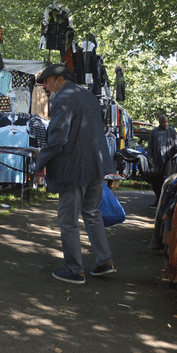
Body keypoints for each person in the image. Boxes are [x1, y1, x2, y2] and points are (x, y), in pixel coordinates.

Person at [34, 63, 116, 285]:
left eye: (47, 82)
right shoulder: (87, 95)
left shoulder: (63, 98)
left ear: (59, 79)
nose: (45, 87)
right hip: (96, 165)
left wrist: (40, 163)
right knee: (91, 212)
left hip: (74, 168)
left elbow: (58, 138)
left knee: (68, 220)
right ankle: (104, 261)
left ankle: (74, 270)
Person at [147, 114, 177, 208]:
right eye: (163, 122)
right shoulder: (154, 132)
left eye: (166, 122)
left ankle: (167, 200)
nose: (165, 123)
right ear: (159, 122)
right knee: (157, 181)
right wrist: (150, 158)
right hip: (158, 159)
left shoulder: (172, 131)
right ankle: (158, 199)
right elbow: (150, 146)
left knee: (168, 180)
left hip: (169, 159)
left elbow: (175, 144)